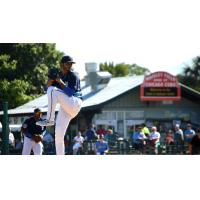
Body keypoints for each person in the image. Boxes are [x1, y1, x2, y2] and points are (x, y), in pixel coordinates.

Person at [36, 55, 82, 155]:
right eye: (67, 63)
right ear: (62, 64)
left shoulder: (73, 75)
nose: (70, 65)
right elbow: (46, 88)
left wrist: (58, 81)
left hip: (75, 102)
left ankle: (50, 119)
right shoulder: (59, 75)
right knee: (58, 136)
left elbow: (70, 93)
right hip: (66, 108)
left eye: (71, 63)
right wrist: (51, 78)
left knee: (53, 90)